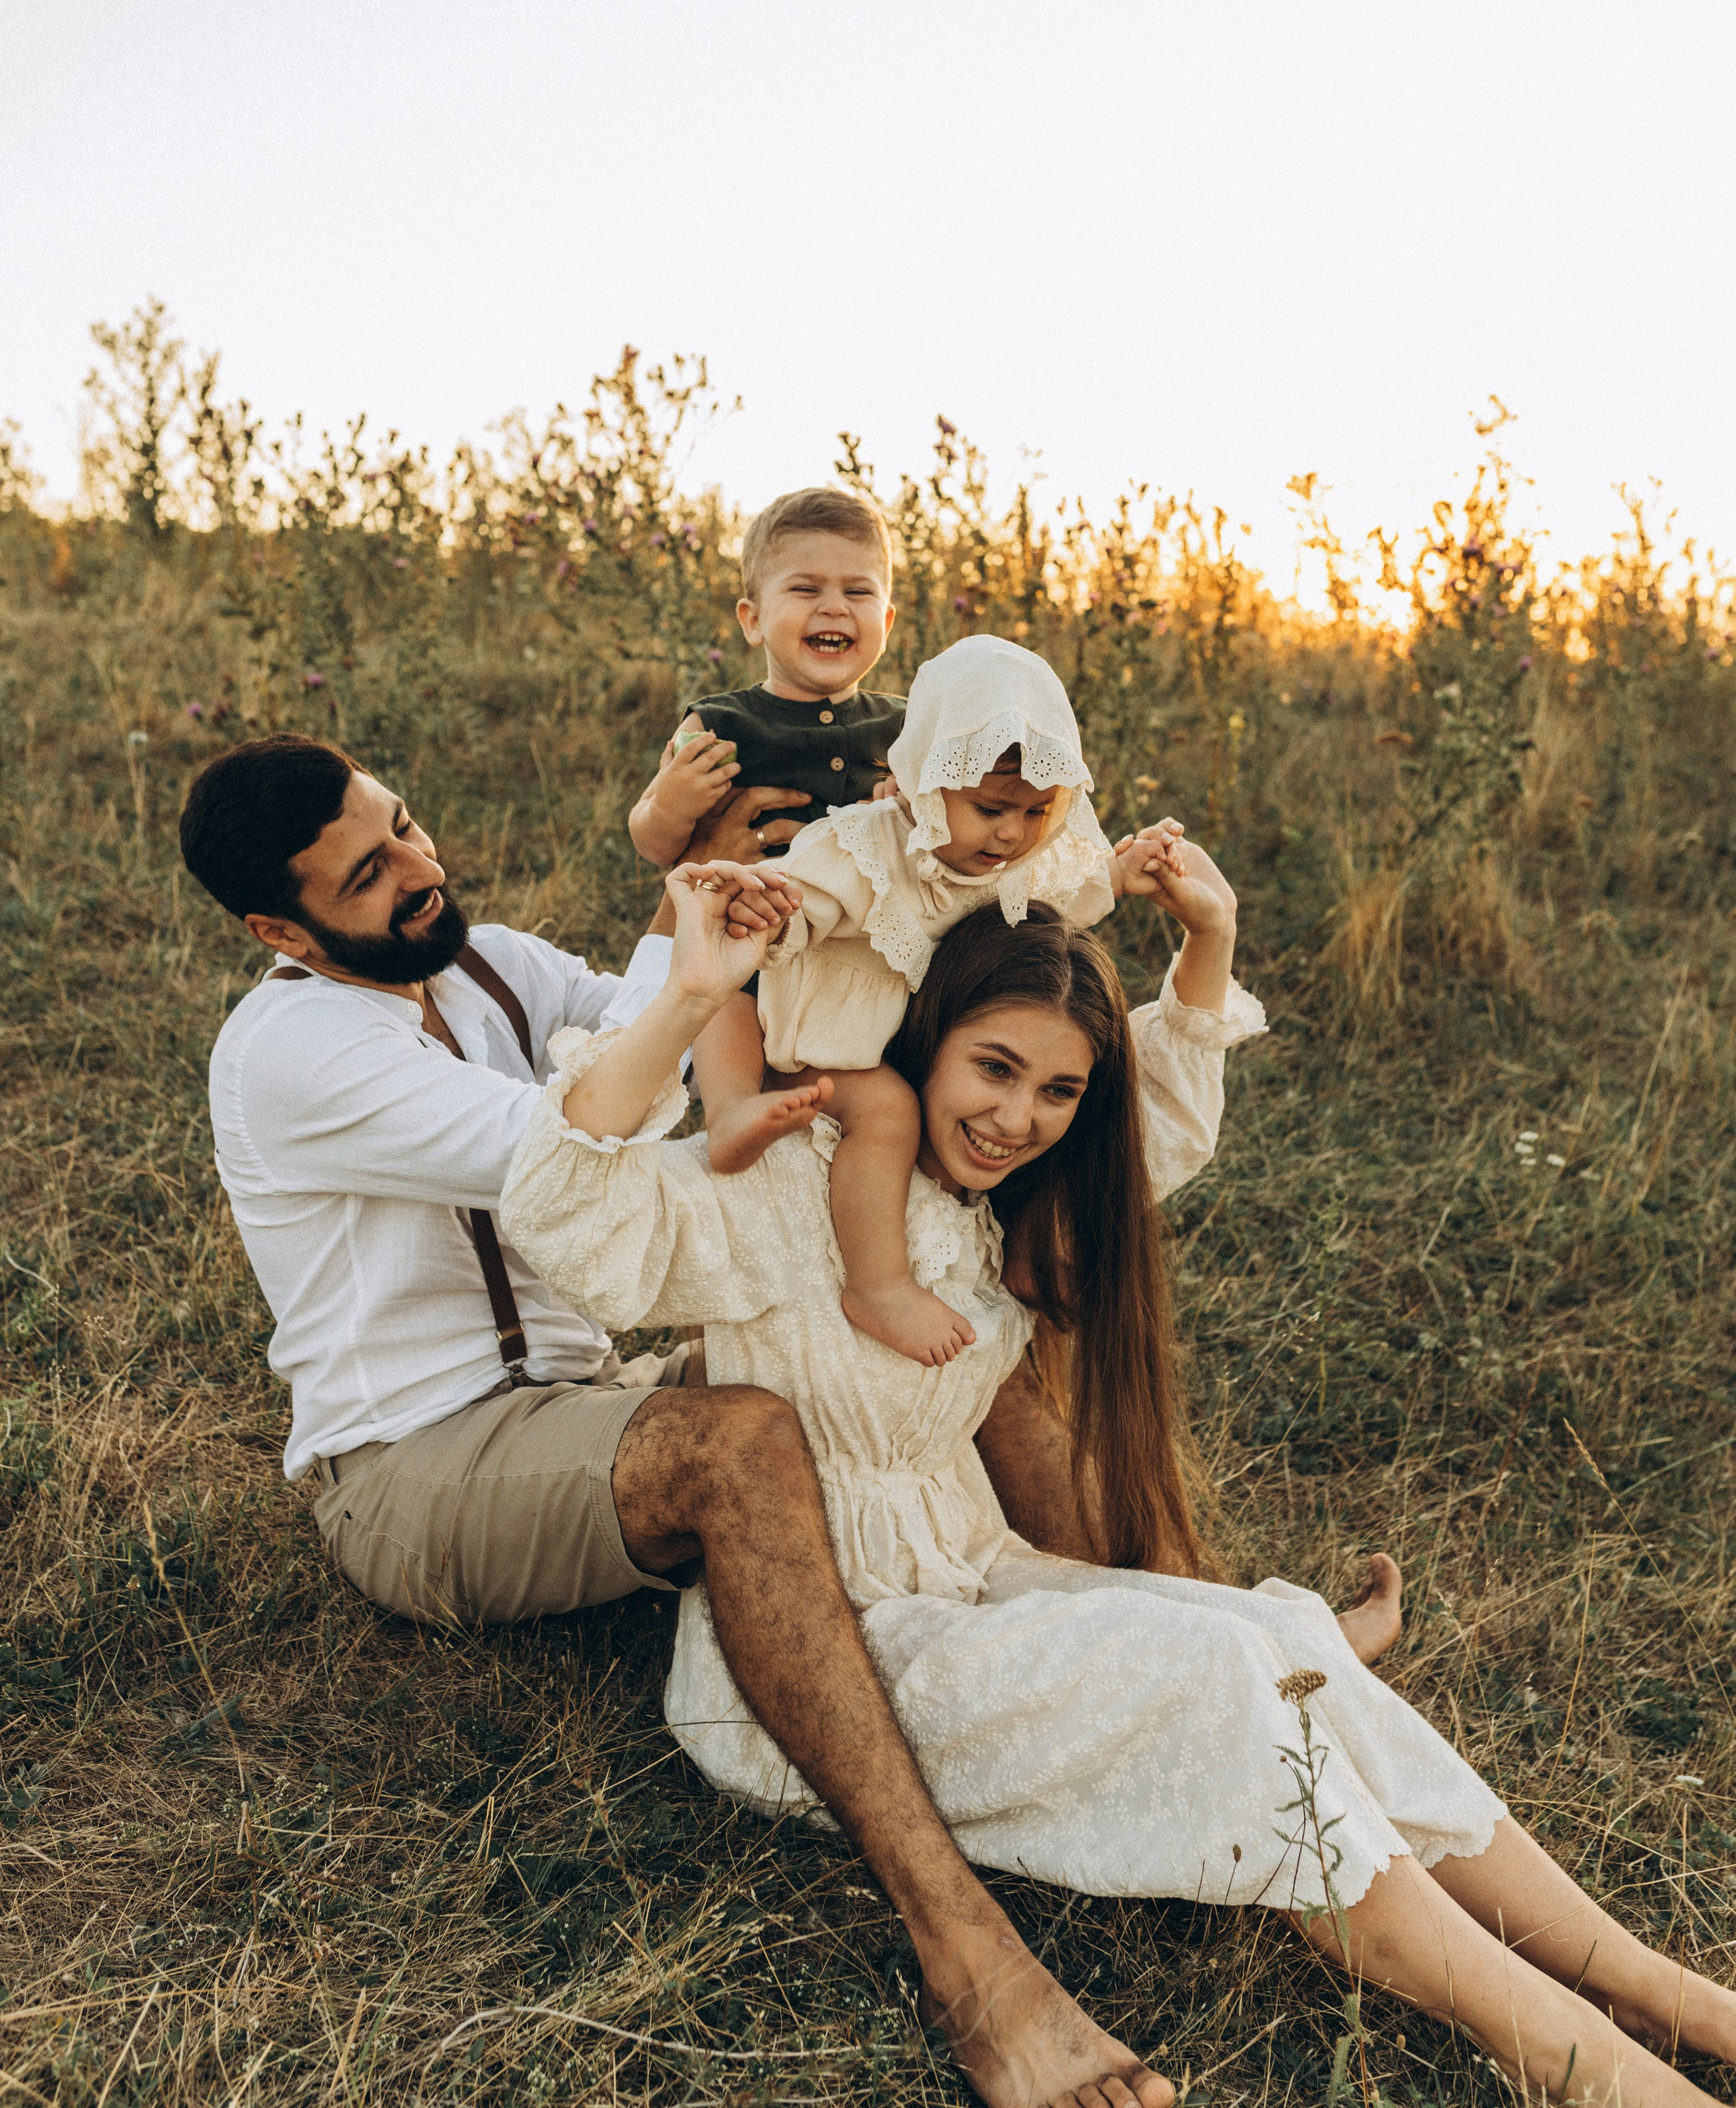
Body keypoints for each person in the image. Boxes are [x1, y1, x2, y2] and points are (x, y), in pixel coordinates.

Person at [500, 863, 1736, 2108]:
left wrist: (1212, 936)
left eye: (1057, 1091)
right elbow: (562, 1219)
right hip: (845, 1656)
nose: (1017, 1118)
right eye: (992, 1068)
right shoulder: (792, 1186)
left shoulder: (998, 1207)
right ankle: (1584, 2066)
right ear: (924, 1046)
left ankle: (1649, 1985)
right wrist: (688, 996)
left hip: (979, 1586)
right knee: (1217, 1676)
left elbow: (1166, 1129)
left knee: (1282, 1638)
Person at [180, 728, 1259, 2108]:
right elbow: (571, 1151)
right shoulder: (291, 1052)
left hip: (589, 1405)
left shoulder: (491, 959)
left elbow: (696, 1031)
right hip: (416, 1468)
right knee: (743, 1436)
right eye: (368, 875)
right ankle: (968, 1961)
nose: (417, 873)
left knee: (950, 1310)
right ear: (281, 928)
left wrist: (810, 890)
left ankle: (1214, 1632)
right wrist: (683, 940)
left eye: (404, 829)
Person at [692, 633, 1187, 1368]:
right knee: (881, 1106)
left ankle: (1020, 1260)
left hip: (898, 1048)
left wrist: (1122, 872)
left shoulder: (1016, 862)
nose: (1012, 833)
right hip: (818, 1050)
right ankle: (877, 1284)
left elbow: (1064, 898)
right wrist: (774, 916)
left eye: (1036, 811)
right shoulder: (867, 846)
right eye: (990, 807)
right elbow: (804, 901)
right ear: (925, 778)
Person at [627, 485, 905, 869]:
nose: (834, 607)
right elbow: (654, 847)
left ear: (887, 624)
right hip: (750, 922)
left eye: (858, 591)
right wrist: (670, 806)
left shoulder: (909, 727)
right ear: (754, 621)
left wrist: (909, 814)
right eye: (806, 589)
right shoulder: (718, 726)